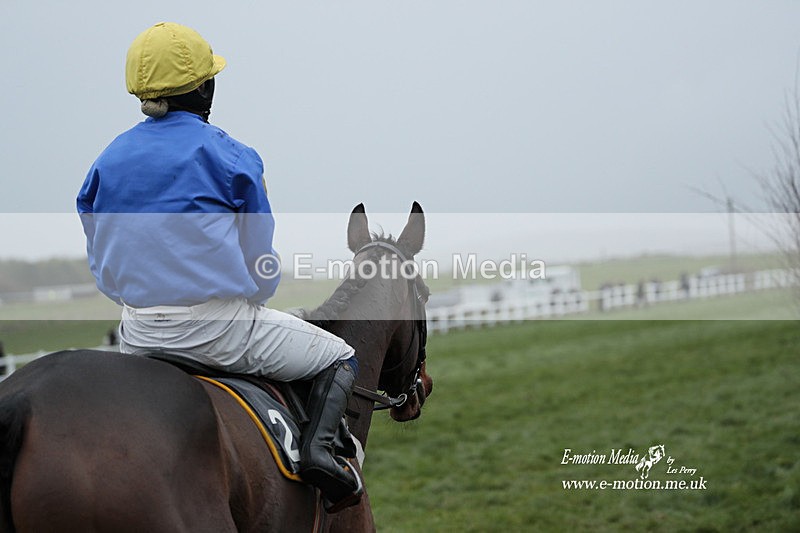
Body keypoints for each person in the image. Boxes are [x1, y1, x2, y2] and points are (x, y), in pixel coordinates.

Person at [76, 22, 362, 512]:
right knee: (339, 357)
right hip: (219, 328)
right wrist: (253, 293)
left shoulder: (106, 161)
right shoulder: (229, 153)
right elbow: (261, 266)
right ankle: (318, 455)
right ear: (205, 86)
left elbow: (103, 266)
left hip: (138, 334)